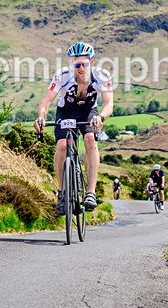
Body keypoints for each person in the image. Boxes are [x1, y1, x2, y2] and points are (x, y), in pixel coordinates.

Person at [34, 42, 113, 214]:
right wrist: (41, 117)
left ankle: (90, 192)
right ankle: (62, 192)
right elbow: (47, 101)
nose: (80, 68)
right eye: (76, 64)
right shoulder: (62, 75)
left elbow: (109, 104)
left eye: (84, 63)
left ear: (92, 61)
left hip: (88, 112)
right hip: (66, 112)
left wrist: (100, 117)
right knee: (62, 146)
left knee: (90, 140)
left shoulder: (102, 75)